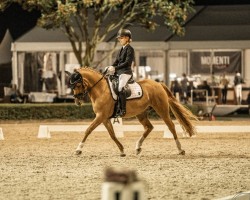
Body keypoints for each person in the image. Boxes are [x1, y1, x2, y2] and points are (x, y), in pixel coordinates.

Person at [106, 29, 135, 117]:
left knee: (120, 88)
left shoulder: (130, 49)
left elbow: (127, 63)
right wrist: (110, 67)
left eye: (121, 38)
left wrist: (115, 68)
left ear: (127, 38)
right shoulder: (122, 49)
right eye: (119, 38)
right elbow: (117, 60)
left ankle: (122, 110)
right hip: (119, 72)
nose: (119, 40)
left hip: (126, 72)